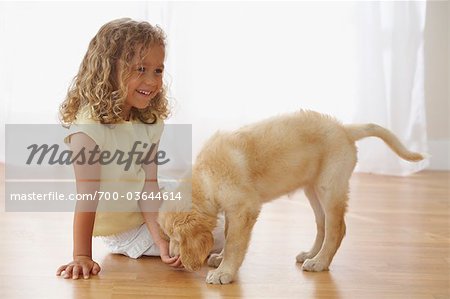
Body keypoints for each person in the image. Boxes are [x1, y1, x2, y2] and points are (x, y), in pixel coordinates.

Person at [55, 18, 223, 280]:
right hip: (124, 227)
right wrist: (82, 256)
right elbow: (87, 196)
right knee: (213, 235)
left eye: (158, 70)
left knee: (217, 206)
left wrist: (160, 234)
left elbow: (149, 184)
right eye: (141, 69)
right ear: (108, 71)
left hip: (147, 199)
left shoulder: (148, 119)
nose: (152, 81)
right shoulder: (87, 129)